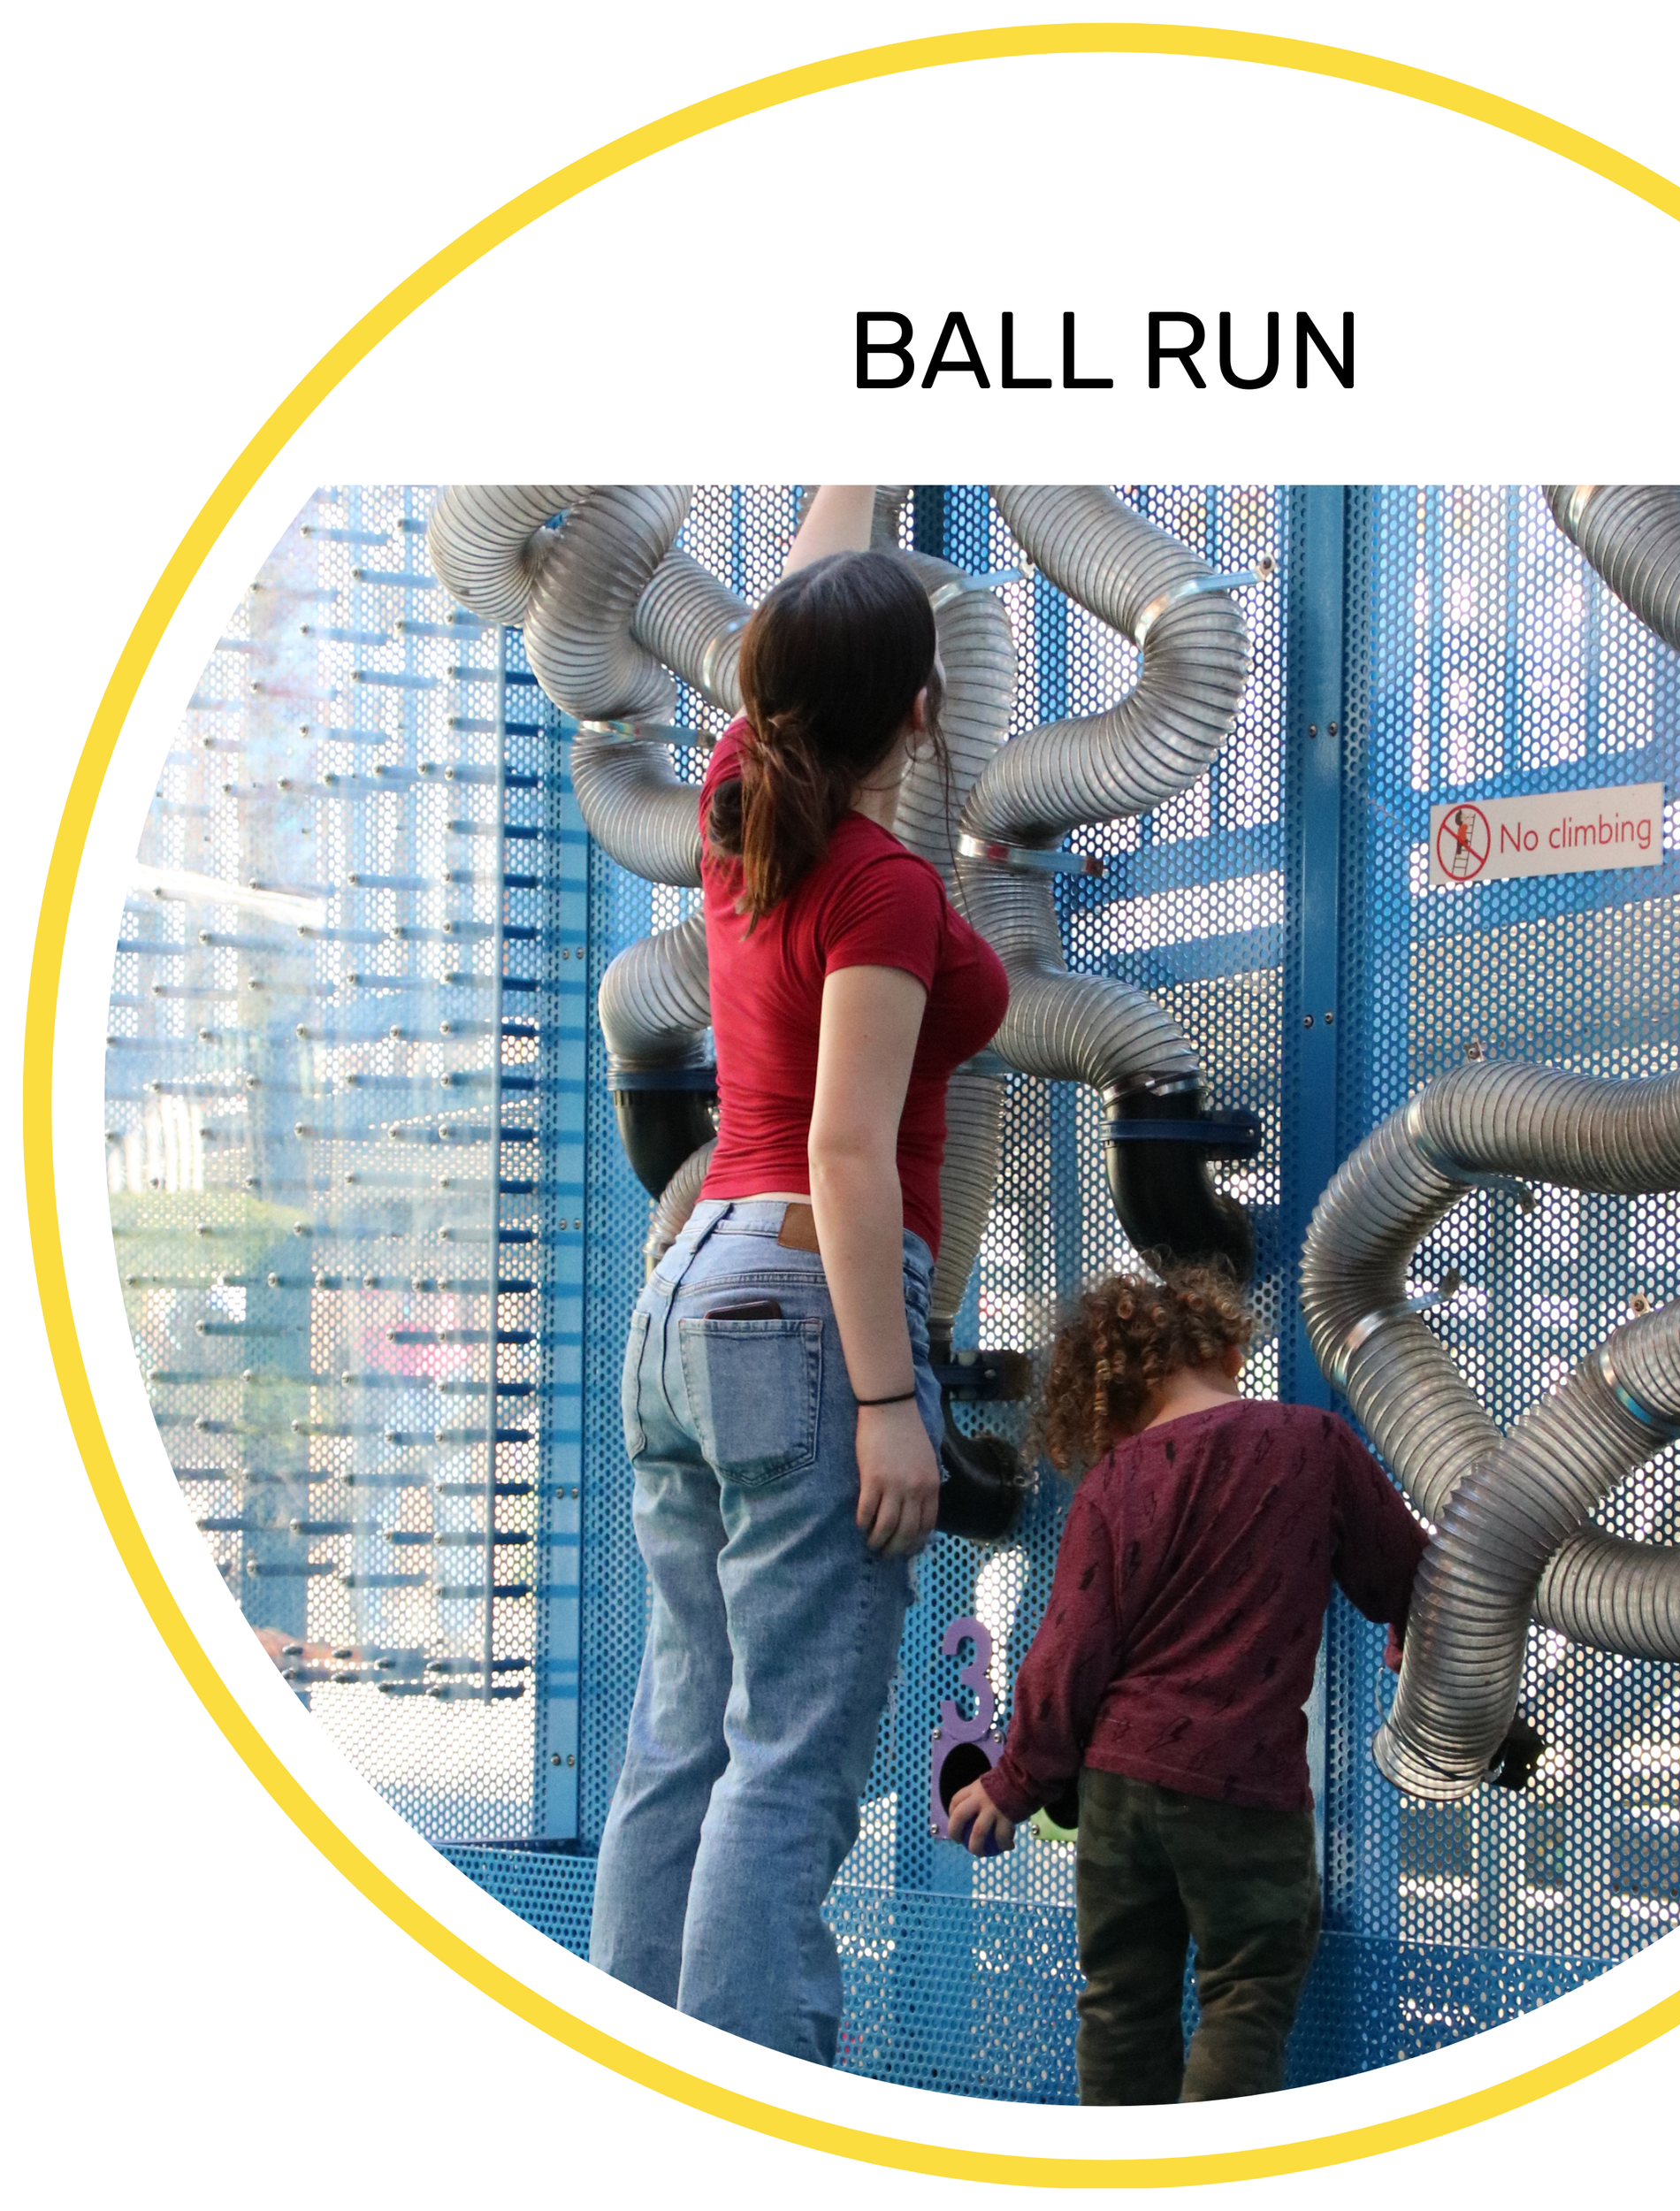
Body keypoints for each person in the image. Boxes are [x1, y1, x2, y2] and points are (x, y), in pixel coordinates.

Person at [589, 488, 1010, 2065]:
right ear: (921, 709)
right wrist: (892, 1404)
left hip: (689, 1290)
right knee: (789, 1758)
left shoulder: (732, 802)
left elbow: (808, 579)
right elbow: (847, 1149)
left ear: (762, 693)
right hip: (803, 1300)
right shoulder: (881, 885)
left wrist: (871, 447)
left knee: (685, 1732)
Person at [943, 1268, 1428, 2103]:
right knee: (1247, 1990)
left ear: (1106, 1401)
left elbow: (1068, 1652)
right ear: (1225, 1348)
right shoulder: (1313, 1442)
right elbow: (1403, 1571)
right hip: (1242, 1785)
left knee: (1121, 2003)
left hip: (1119, 1788)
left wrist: (1016, 1781)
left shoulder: (1112, 1484)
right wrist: (1407, 1625)